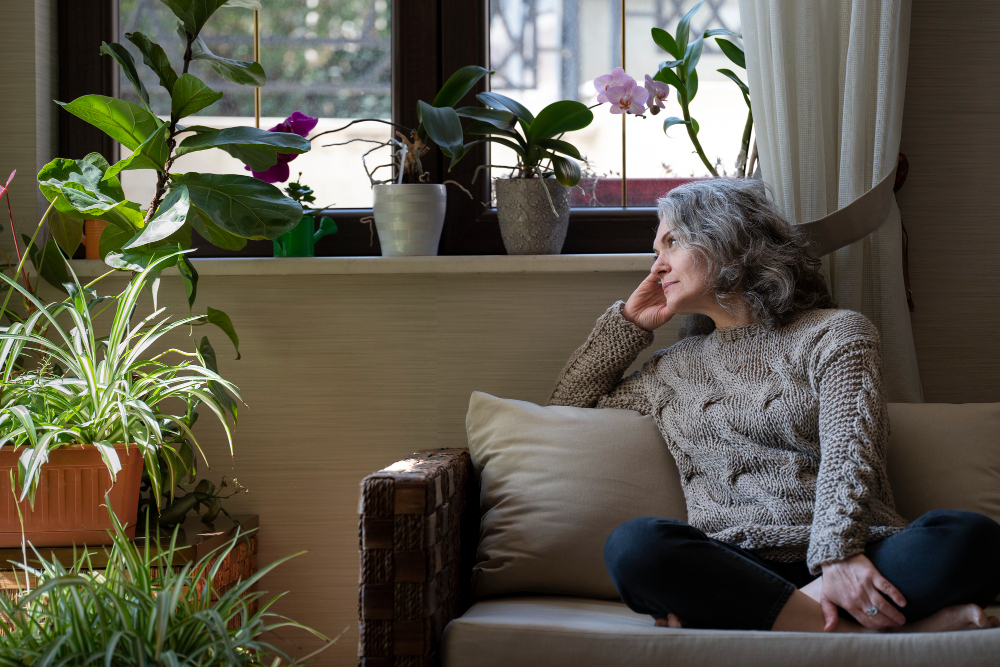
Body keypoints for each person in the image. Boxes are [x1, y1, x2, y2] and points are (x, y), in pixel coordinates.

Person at [548, 178, 1000, 633]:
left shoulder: (836, 334)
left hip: (858, 552)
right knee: (634, 546)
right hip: (736, 566)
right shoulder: (669, 371)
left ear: (725, 239)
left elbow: (850, 453)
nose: (657, 265)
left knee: (971, 538)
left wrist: (836, 557)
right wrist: (629, 323)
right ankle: (854, 630)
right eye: (656, 251)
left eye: (671, 242)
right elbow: (565, 406)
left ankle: (784, 618)